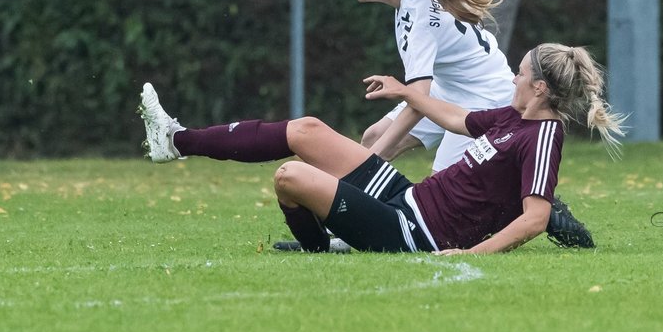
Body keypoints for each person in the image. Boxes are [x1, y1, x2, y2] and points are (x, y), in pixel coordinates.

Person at [276, 0, 596, 249]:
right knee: (373, 139)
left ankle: (531, 209)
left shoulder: (416, 20)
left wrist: (362, 172)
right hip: (452, 87)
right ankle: (354, 224)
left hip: (484, 96)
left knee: (447, 190)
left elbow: (417, 101)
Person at [136, 43, 625, 254]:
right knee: (307, 130)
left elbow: (536, 217)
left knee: (290, 177)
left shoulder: (544, 136)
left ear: (539, 88)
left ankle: (321, 249)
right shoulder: (513, 116)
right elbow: (455, 118)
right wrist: (407, 91)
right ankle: (176, 140)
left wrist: (472, 254)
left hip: (412, 233)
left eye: (520, 73)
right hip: (406, 199)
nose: (513, 77)